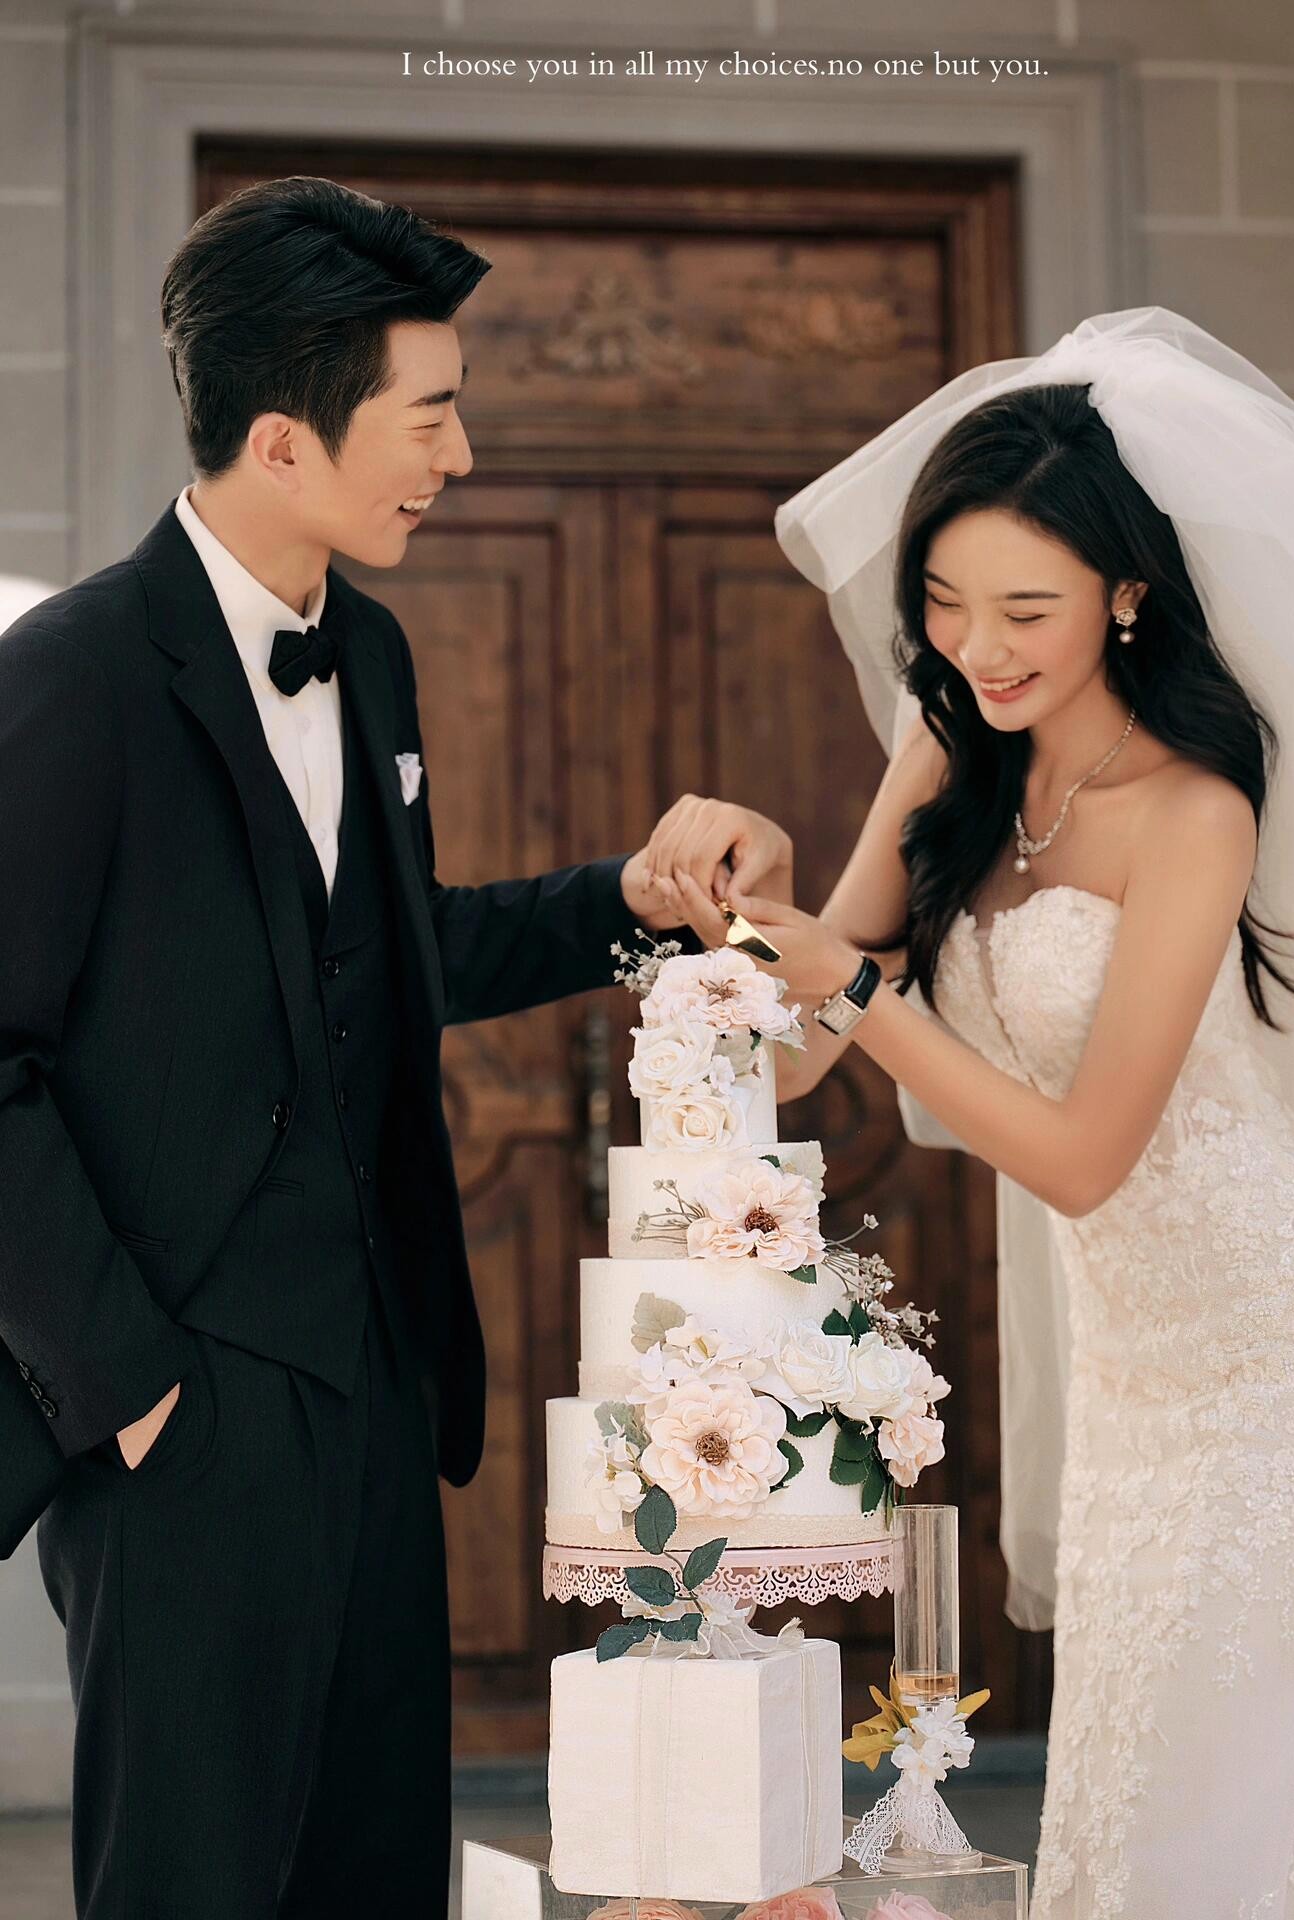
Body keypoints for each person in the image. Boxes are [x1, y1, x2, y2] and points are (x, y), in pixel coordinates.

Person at [0, 175, 791, 1918]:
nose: (462, 453)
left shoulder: (369, 650)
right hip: (181, 1411)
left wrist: (633, 900)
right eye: (428, 417)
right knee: (191, 1886)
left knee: (374, 1875)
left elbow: (389, 953)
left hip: (374, 1383)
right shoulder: (72, 677)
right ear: (284, 441)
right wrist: (130, 1392)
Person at [645, 310, 1294, 1914]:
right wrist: (762, 906)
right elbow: (792, 1062)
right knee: (1136, 1758)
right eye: (946, 603)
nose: (978, 648)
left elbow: (1083, 1158)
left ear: (1124, 596)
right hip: (1135, 1361)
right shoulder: (952, 761)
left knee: (1249, 1759)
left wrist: (861, 995)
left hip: (1287, 1337)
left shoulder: (1195, 810)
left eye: (1026, 610)